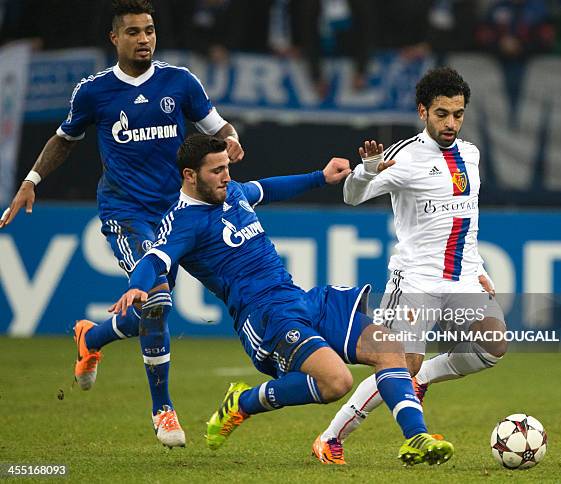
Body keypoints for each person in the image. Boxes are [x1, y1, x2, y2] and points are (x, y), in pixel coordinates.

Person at [110, 133, 455, 467]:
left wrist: (320, 177)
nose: (226, 177)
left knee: (388, 345)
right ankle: (243, 401)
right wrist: (137, 285)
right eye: (216, 171)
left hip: (297, 298)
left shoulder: (232, 192)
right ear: (189, 175)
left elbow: (269, 188)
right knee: (337, 382)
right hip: (264, 318)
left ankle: (417, 437)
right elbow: (155, 259)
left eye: (227, 168)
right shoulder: (182, 222)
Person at [0, 0, 244, 448]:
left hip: (178, 213)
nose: (144, 39)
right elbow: (64, 138)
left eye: (149, 30)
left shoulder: (180, 82)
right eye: (133, 32)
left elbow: (216, 126)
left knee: (156, 308)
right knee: (155, 302)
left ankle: (91, 336)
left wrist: (230, 139)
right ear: (115, 38)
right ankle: (163, 410)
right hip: (126, 212)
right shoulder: (94, 91)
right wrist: (30, 180)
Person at [311, 67, 507, 464]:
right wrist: (365, 169)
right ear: (422, 111)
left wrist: (478, 265)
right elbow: (352, 197)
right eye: (441, 114)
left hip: (463, 276)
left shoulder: (471, 154)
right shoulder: (405, 156)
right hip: (416, 279)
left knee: (494, 344)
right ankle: (331, 438)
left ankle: (423, 380)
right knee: (398, 362)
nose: (451, 122)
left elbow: (466, 217)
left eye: (458, 113)